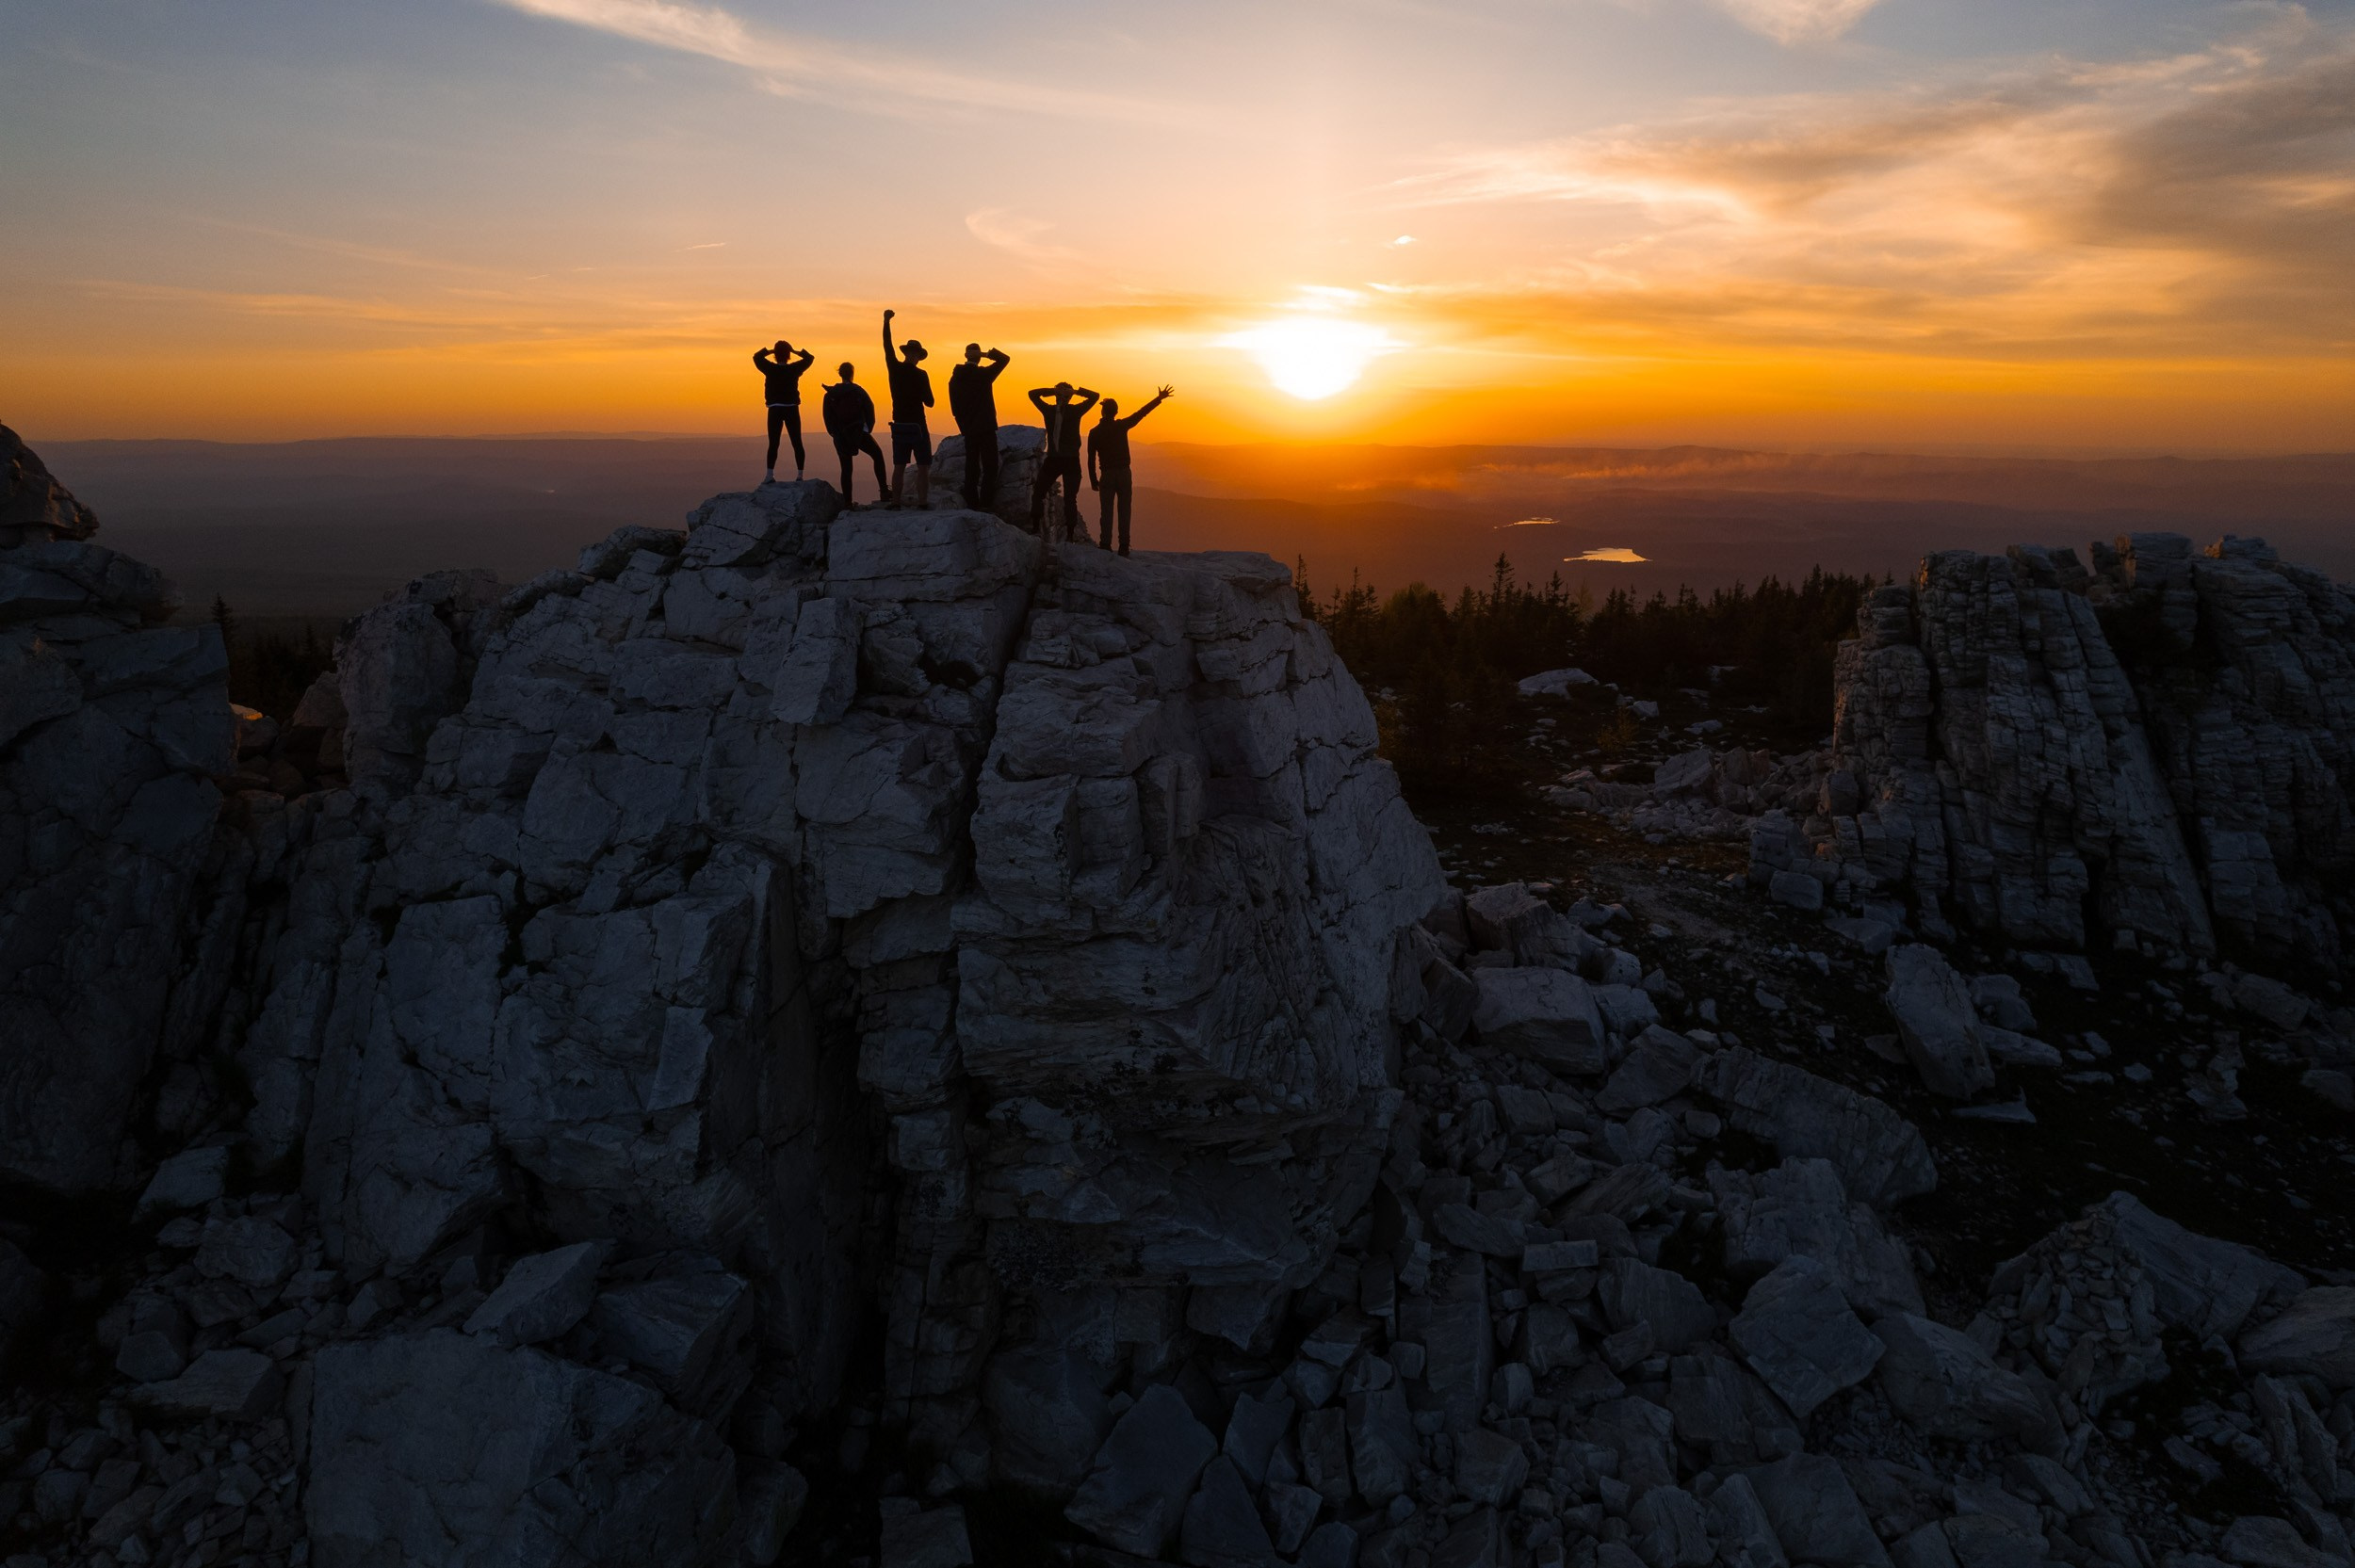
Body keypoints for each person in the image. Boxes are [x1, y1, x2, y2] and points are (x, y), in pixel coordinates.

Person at [1086, 384, 1172, 557]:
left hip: (1107, 475)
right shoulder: (1121, 426)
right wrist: (1159, 399)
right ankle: (1124, 546)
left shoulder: (1095, 432)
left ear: (1103, 413)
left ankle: (1105, 544)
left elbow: (1090, 459)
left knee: (1107, 511)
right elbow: (1141, 413)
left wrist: (1093, 480)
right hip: (1124, 474)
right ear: (1116, 412)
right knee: (1125, 510)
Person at [1026, 380, 1099, 535]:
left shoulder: (1049, 411)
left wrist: (1053, 391)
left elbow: (1032, 394)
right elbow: (1095, 397)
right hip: (1071, 461)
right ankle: (1071, 534)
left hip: (1053, 459)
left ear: (1056, 397)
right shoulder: (1076, 411)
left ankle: (1035, 527)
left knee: (1039, 493)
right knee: (1070, 498)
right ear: (1069, 398)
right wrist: (1076, 391)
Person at [947, 343, 1012, 509]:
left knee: (972, 466)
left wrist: (963, 425)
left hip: (968, 429)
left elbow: (954, 407)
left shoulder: (955, 378)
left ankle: (972, 503)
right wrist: (985, 354)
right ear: (976, 357)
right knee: (990, 467)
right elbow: (1005, 359)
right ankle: (986, 504)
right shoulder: (984, 374)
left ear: (965, 356)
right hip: (986, 427)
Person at [881, 309, 934, 508]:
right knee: (922, 467)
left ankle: (895, 502)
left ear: (905, 354)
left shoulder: (894, 369)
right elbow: (930, 402)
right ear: (918, 357)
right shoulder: (921, 375)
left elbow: (887, 345)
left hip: (900, 423)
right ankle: (922, 503)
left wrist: (886, 321)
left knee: (899, 466)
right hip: (918, 425)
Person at [820, 363, 889, 505]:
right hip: (859, 432)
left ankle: (848, 503)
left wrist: (834, 433)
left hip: (840, 435)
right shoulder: (858, 391)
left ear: (839, 374)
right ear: (852, 374)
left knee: (846, 468)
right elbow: (870, 409)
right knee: (877, 455)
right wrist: (867, 429)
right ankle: (884, 492)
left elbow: (827, 417)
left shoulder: (830, 394)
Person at [754, 340, 815, 481]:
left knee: (773, 443)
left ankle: (770, 475)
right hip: (791, 408)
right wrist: (795, 351)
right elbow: (810, 358)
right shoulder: (794, 369)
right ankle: (800, 475)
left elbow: (756, 357)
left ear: (775, 355)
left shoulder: (769, 368)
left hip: (774, 408)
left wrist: (769, 351)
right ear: (788, 355)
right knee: (797, 442)